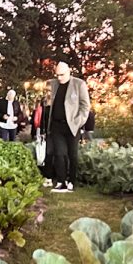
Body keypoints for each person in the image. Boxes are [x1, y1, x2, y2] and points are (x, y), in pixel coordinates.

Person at [46, 61, 90, 193]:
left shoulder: (79, 84)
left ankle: (71, 181)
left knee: (72, 155)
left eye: (62, 75)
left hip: (72, 125)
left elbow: (85, 106)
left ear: (69, 71)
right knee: (59, 154)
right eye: (57, 75)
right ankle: (61, 181)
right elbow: (47, 103)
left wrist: (79, 121)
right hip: (56, 125)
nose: (59, 78)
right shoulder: (52, 84)